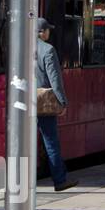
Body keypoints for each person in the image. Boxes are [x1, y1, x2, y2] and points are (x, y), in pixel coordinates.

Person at [35, 18, 77, 191]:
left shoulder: (19, 47)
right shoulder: (48, 50)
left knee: (23, 143)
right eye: (48, 30)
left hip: (22, 102)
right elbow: (55, 80)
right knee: (50, 142)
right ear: (42, 32)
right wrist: (62, 102)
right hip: (43, 103)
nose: (48, 33)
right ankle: (60, 180)